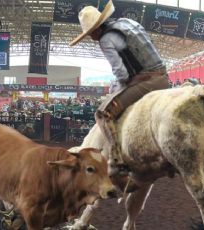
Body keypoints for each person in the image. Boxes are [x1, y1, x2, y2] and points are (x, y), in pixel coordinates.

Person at [69, 2, 169, 180]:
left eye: (90, 32)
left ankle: (116, 158)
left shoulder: (105, 39)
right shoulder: (126, 22)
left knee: (104, 114)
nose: (91, 36)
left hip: (150, 81)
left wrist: (121, 85)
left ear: (95, 29)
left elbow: (121, 74)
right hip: (161, 74)